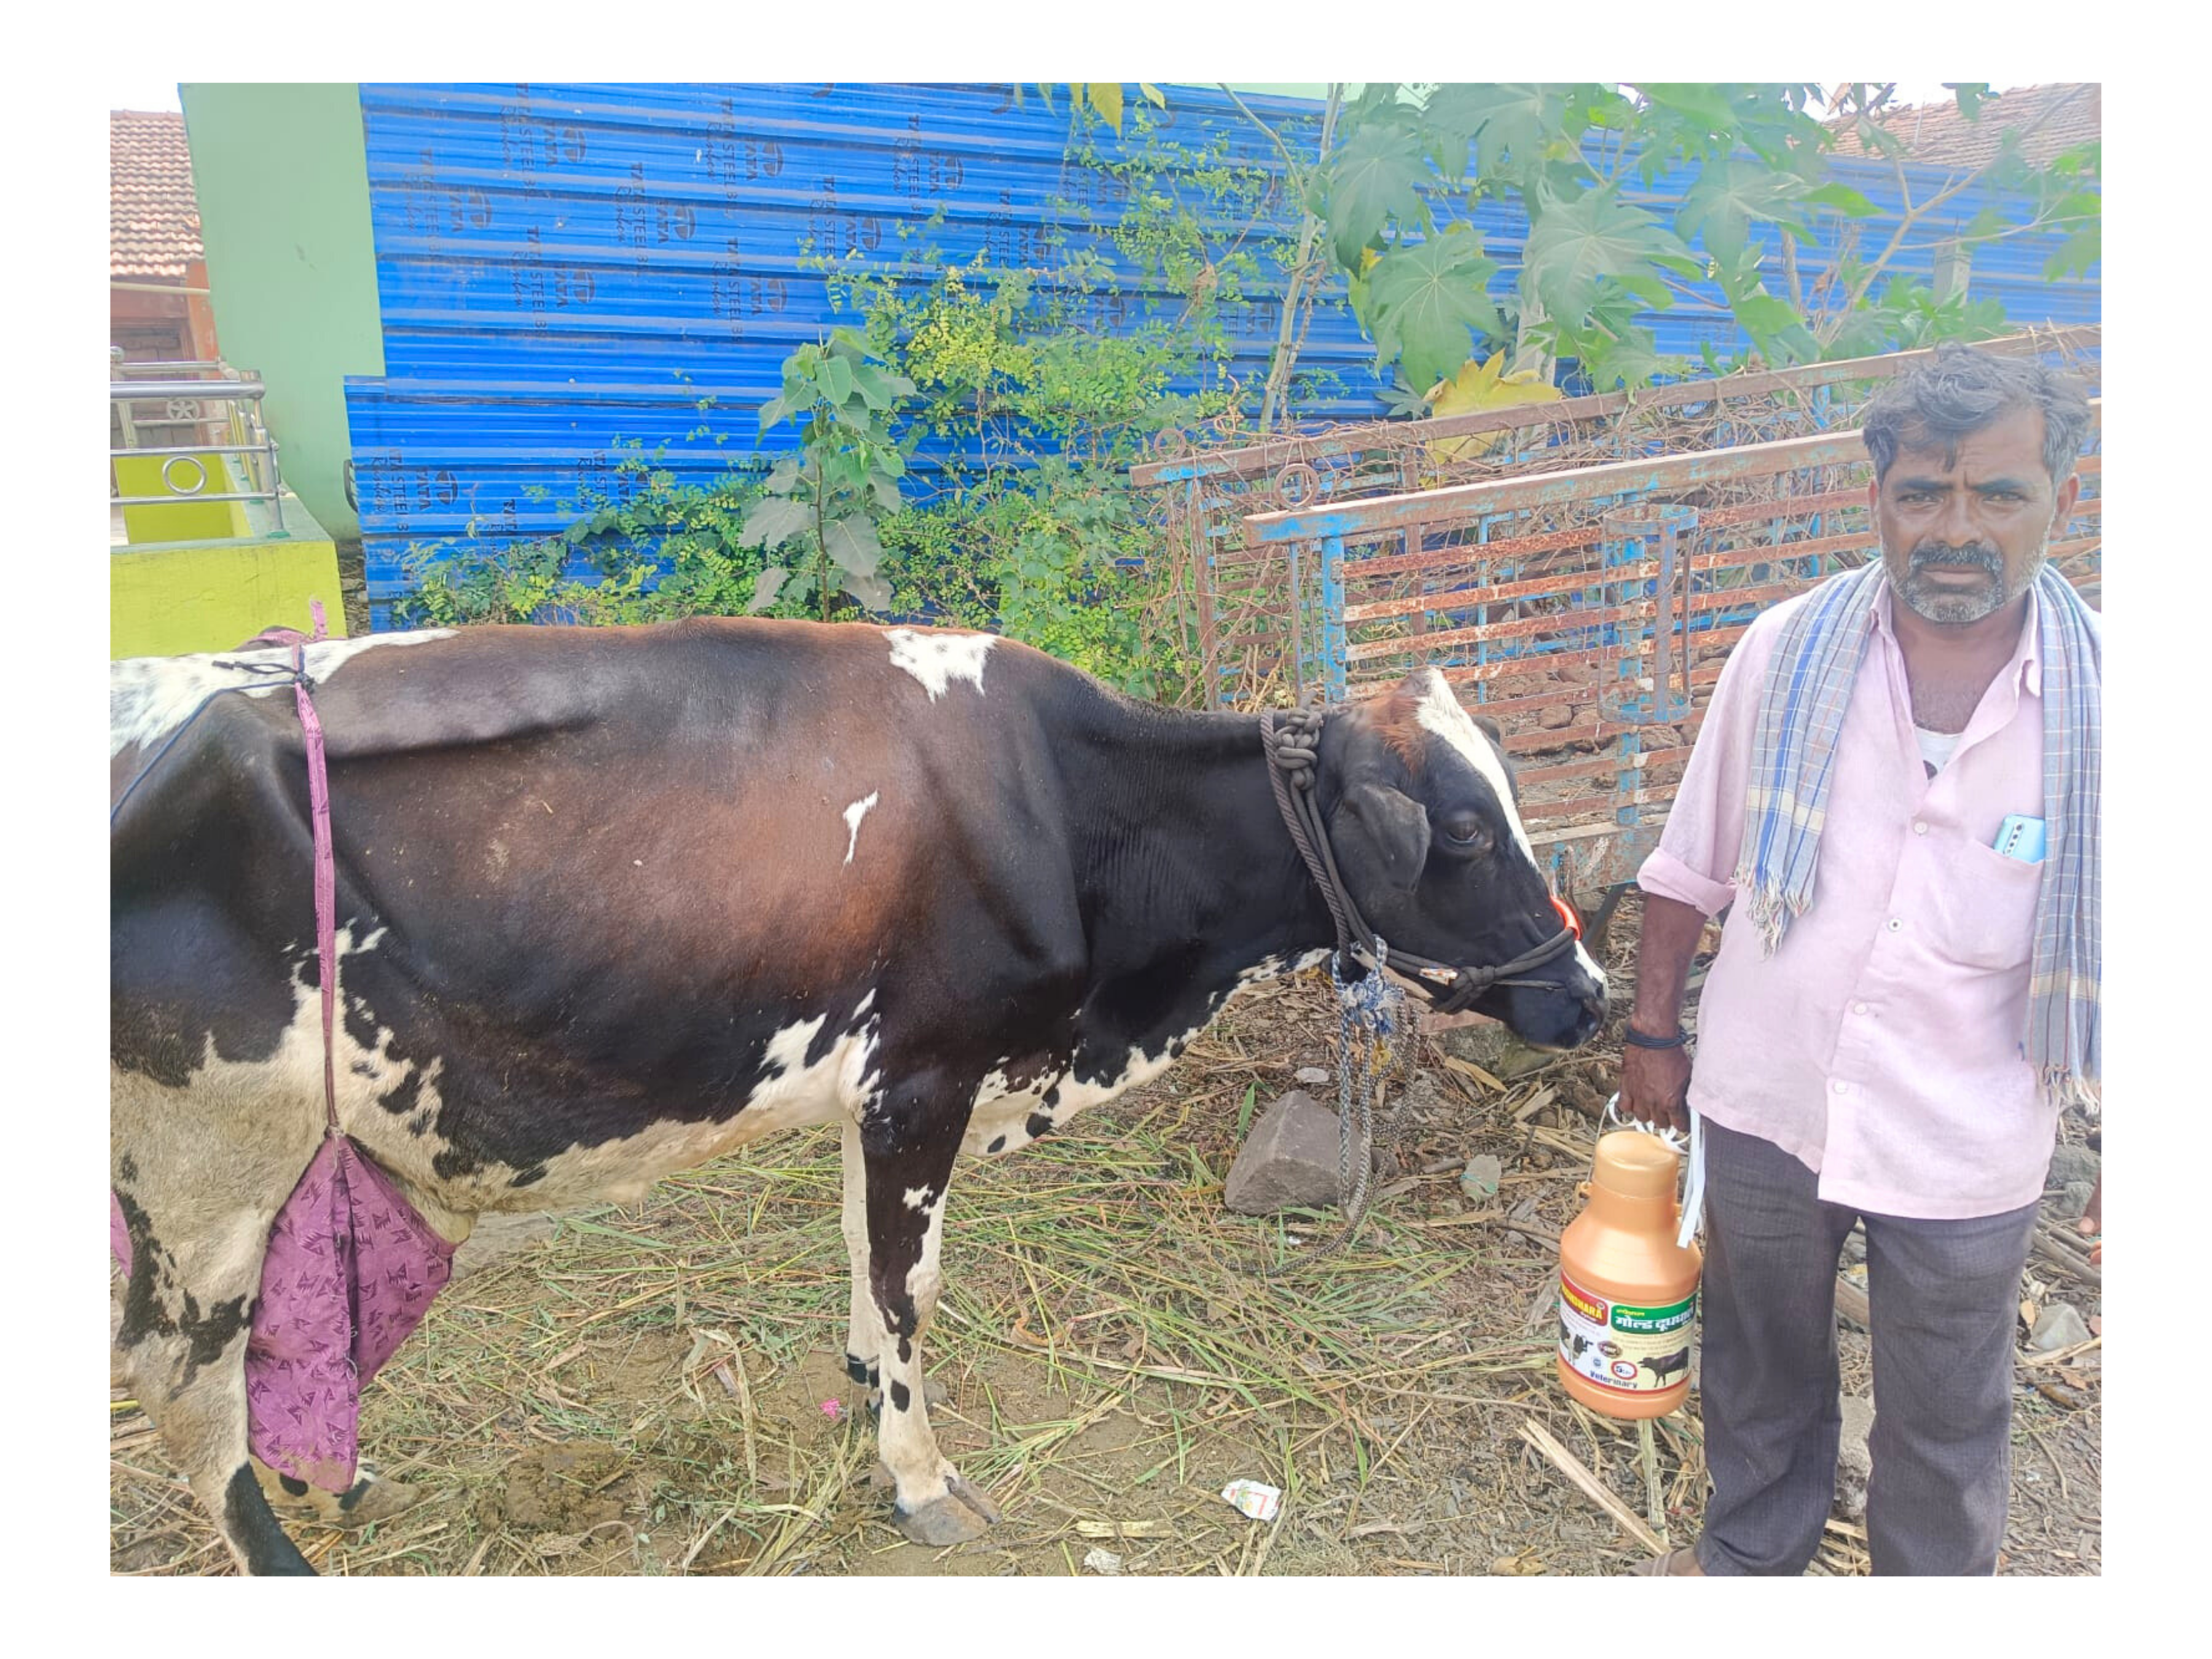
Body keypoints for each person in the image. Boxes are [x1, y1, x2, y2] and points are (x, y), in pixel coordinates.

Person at [1617, 342, 2101, 1577]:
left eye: (1999, 494)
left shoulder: (2120, 706)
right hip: (1768, 1101)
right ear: (1876, 497)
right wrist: (1654, 1036)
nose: (1957, 529)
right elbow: (1688, 867)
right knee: (1757, 1386)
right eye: (1922, 494)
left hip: (1968, 1137)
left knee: (1947, 1428)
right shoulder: (1786, 652)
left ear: (2063, 498)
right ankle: (1751, 1569)